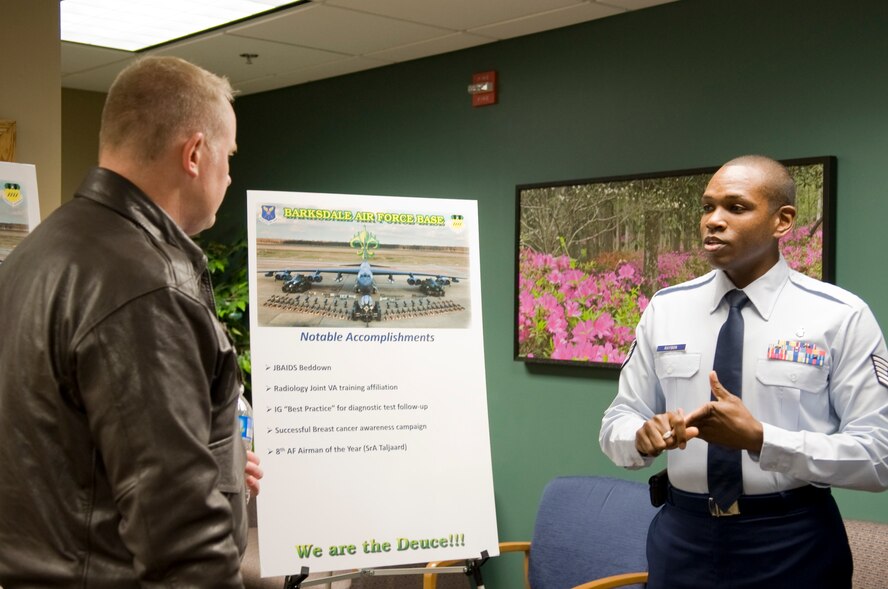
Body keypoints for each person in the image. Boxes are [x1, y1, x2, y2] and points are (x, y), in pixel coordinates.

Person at [0, 56, 262, 587]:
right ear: (195, 154)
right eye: (228, 155)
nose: (230, 175)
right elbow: (180, 535)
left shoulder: (34, 254)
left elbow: (70, 447)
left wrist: (218, 458)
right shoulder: (146, 287)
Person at [600, 155, 888, 588]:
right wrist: (640, 436)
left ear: (782, 221)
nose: (713, 220)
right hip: (682, 537)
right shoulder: (666, 308)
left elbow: (878, 455)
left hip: (791, 540)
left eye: (735, 207)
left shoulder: (840, 315)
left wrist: (761, 440)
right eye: (707, 207)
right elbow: (617, 419)